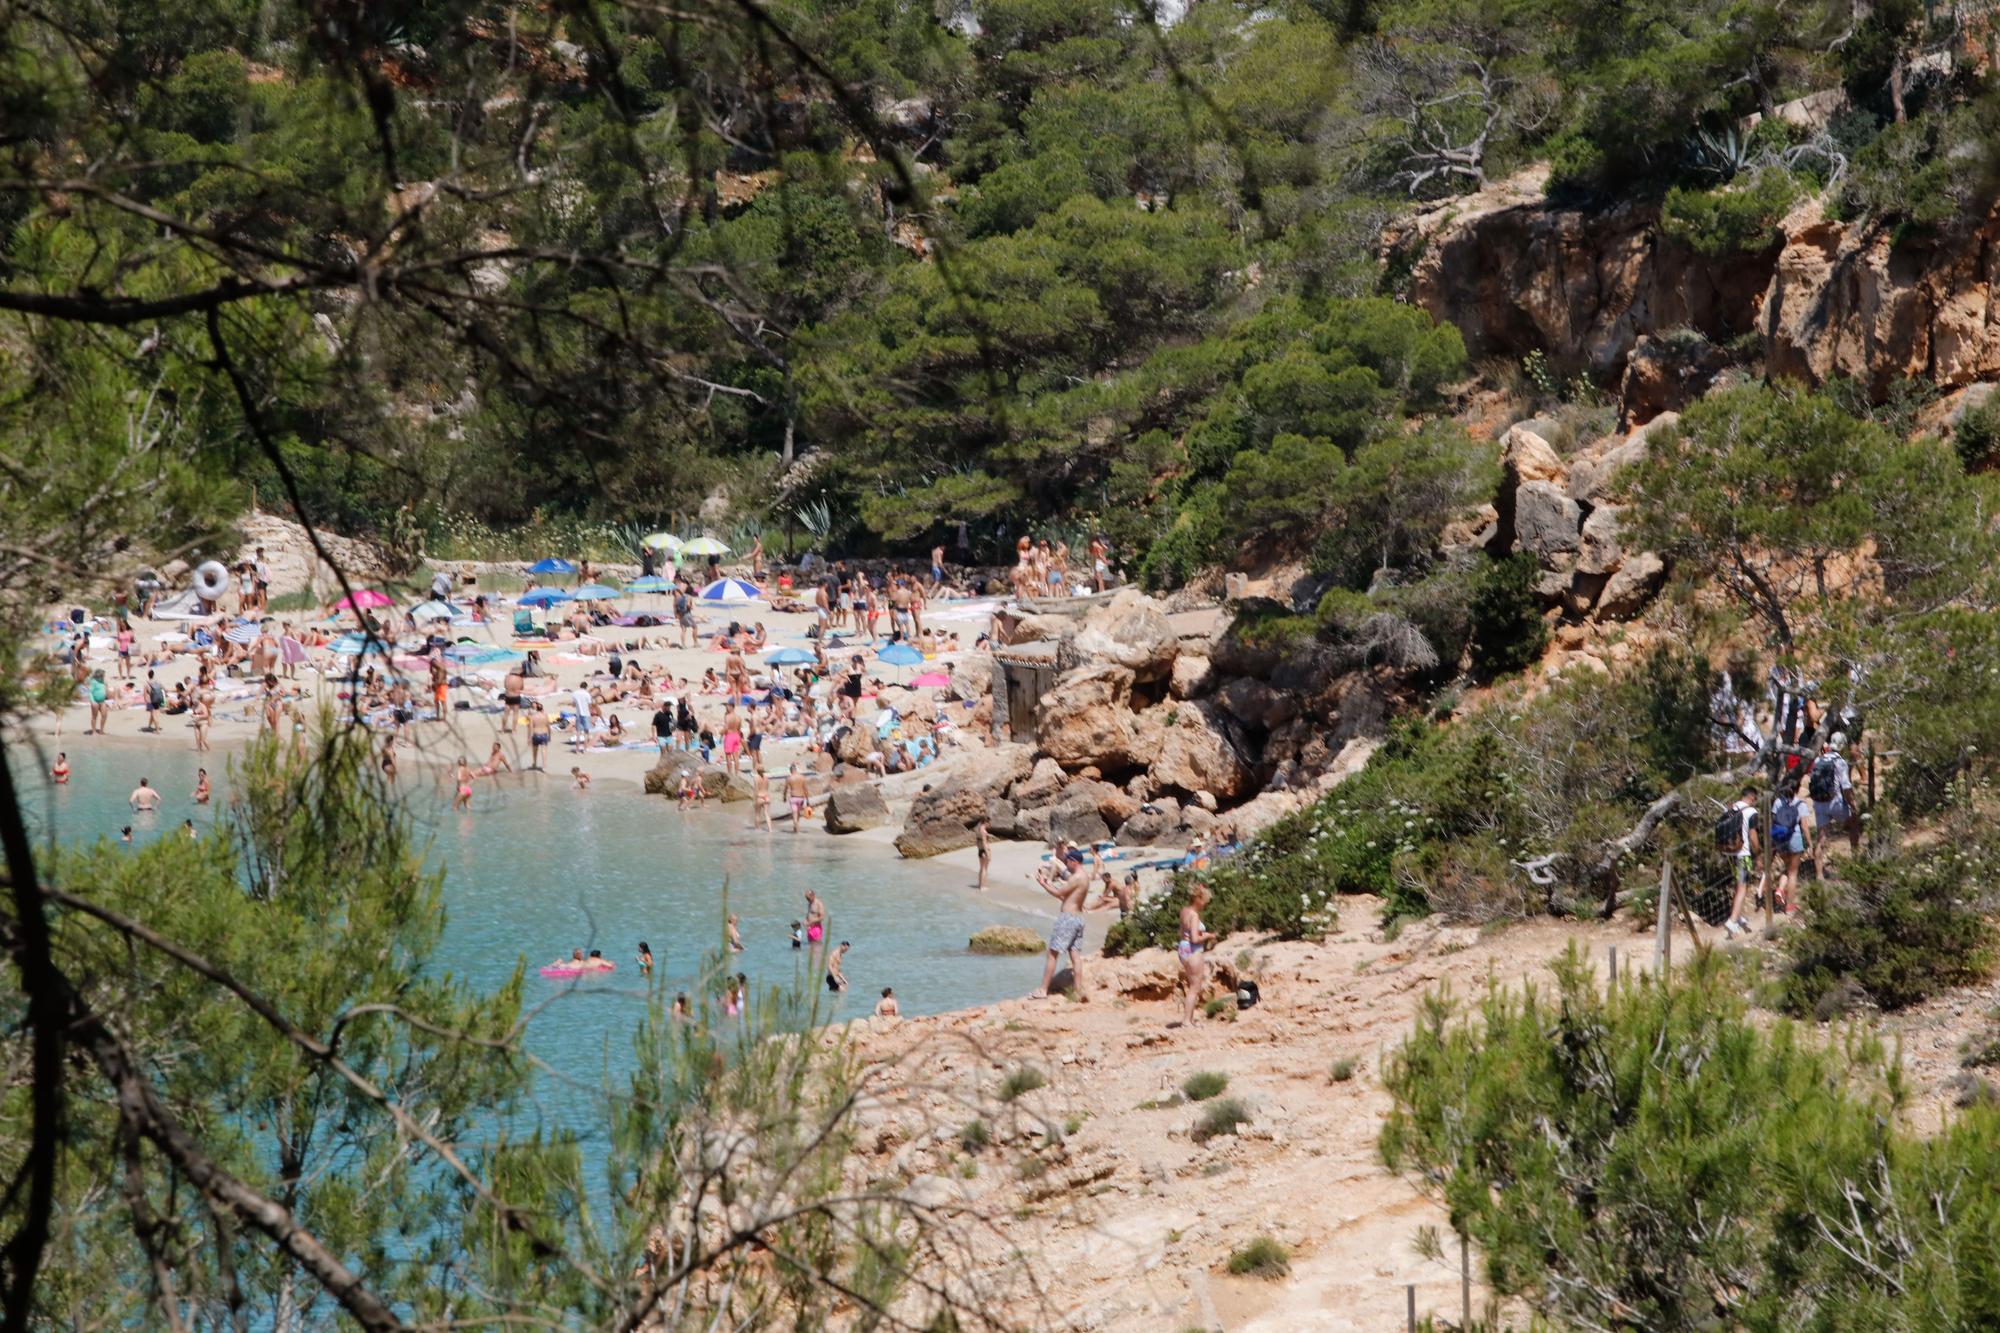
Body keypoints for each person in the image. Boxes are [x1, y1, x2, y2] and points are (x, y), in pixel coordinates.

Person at [1031, 850, 1093, 1001]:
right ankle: (1077, 991)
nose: (1066, 864)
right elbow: (1068, 896)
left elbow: (1059, 893)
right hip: (1078, 919)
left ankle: (1043, 990)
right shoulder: (1085, 877)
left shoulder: (1077, 877)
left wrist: (1043, 883)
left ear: (1074, 861)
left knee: (1053, 953)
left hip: (1068, 919)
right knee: (1075, 956)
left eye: (1067, 861)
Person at [1808, 731, 1862, 870]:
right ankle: (1856, 861)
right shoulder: (1840, 762)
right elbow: (1846, 786)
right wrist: (1853, 805)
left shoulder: (1818, 760)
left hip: (1819, 803)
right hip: (1836, 802)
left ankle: (1819, 875)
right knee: (1853, 824)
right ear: (1842, 746)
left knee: (1821, 839)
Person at [1172, 884, 1216, 1028]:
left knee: (1192, 986)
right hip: (1193, 950)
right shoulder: (1194, 915)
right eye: (1204, 900)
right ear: (1198, 899)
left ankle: (1188, 1019)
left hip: (1183, 948)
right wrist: (1208, 935)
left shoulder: (1184, 911)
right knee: (1194, 987)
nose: (1205, 903)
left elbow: (1184, 933)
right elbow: (1195, 939)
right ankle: (1186, 1021)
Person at [1721, 785, 1762, 938]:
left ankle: (1737, 916)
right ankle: (1732, 922)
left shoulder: (1731, 808)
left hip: (1729, 852)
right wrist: (1758, 853)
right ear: (1752, 797)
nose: (1755, 801)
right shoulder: (1752, 812)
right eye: (1755, 798)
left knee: (1738, 886)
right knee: (1743, 887)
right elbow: (1753, 836)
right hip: (1743, 854)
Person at [1770, 775, 1812, 913]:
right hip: (1794, 838)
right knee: (1793, 873)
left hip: (1779, 839)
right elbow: (1804, 826)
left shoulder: (1777, 802)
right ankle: (1789, 906)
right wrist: (1810, 843)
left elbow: (1773, 821)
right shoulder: (1801, 804)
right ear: (1798, 788)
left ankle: (1780, 889)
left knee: (1787, 867)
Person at [784, 764, 810, 834]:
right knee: (798, 814)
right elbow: (806, 789)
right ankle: (795, 830)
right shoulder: (802, 777)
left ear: (791, 771)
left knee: (795, 817)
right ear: (796, 770)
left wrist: (784, 797)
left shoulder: (789, 778)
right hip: (801, 799)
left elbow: (785, 789)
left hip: (793, 798)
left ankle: (797, 833)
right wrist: (807, 800)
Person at [528, 702, 551, 771]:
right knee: (544, 750)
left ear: (536, 709)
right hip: (544, 734)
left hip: (536, 734)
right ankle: (544, 766)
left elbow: (531, 727)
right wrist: (549, 735)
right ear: (542, 709)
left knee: (535, 750)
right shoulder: (545, 716)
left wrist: (529, 737)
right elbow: (548, 726)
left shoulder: (533, 716)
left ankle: (534, 763)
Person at [975, 819, 991, 891]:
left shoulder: (978, 830)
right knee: (985, 869)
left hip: (980, 850)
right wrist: (987, 853)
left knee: (981, 868)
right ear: (985, 822)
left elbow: (977, 842)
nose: (989, 825)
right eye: (989, 823)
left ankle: (980, 884)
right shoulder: (984, 831)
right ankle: (983, 886)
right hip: (985, 850)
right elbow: (984, 843)